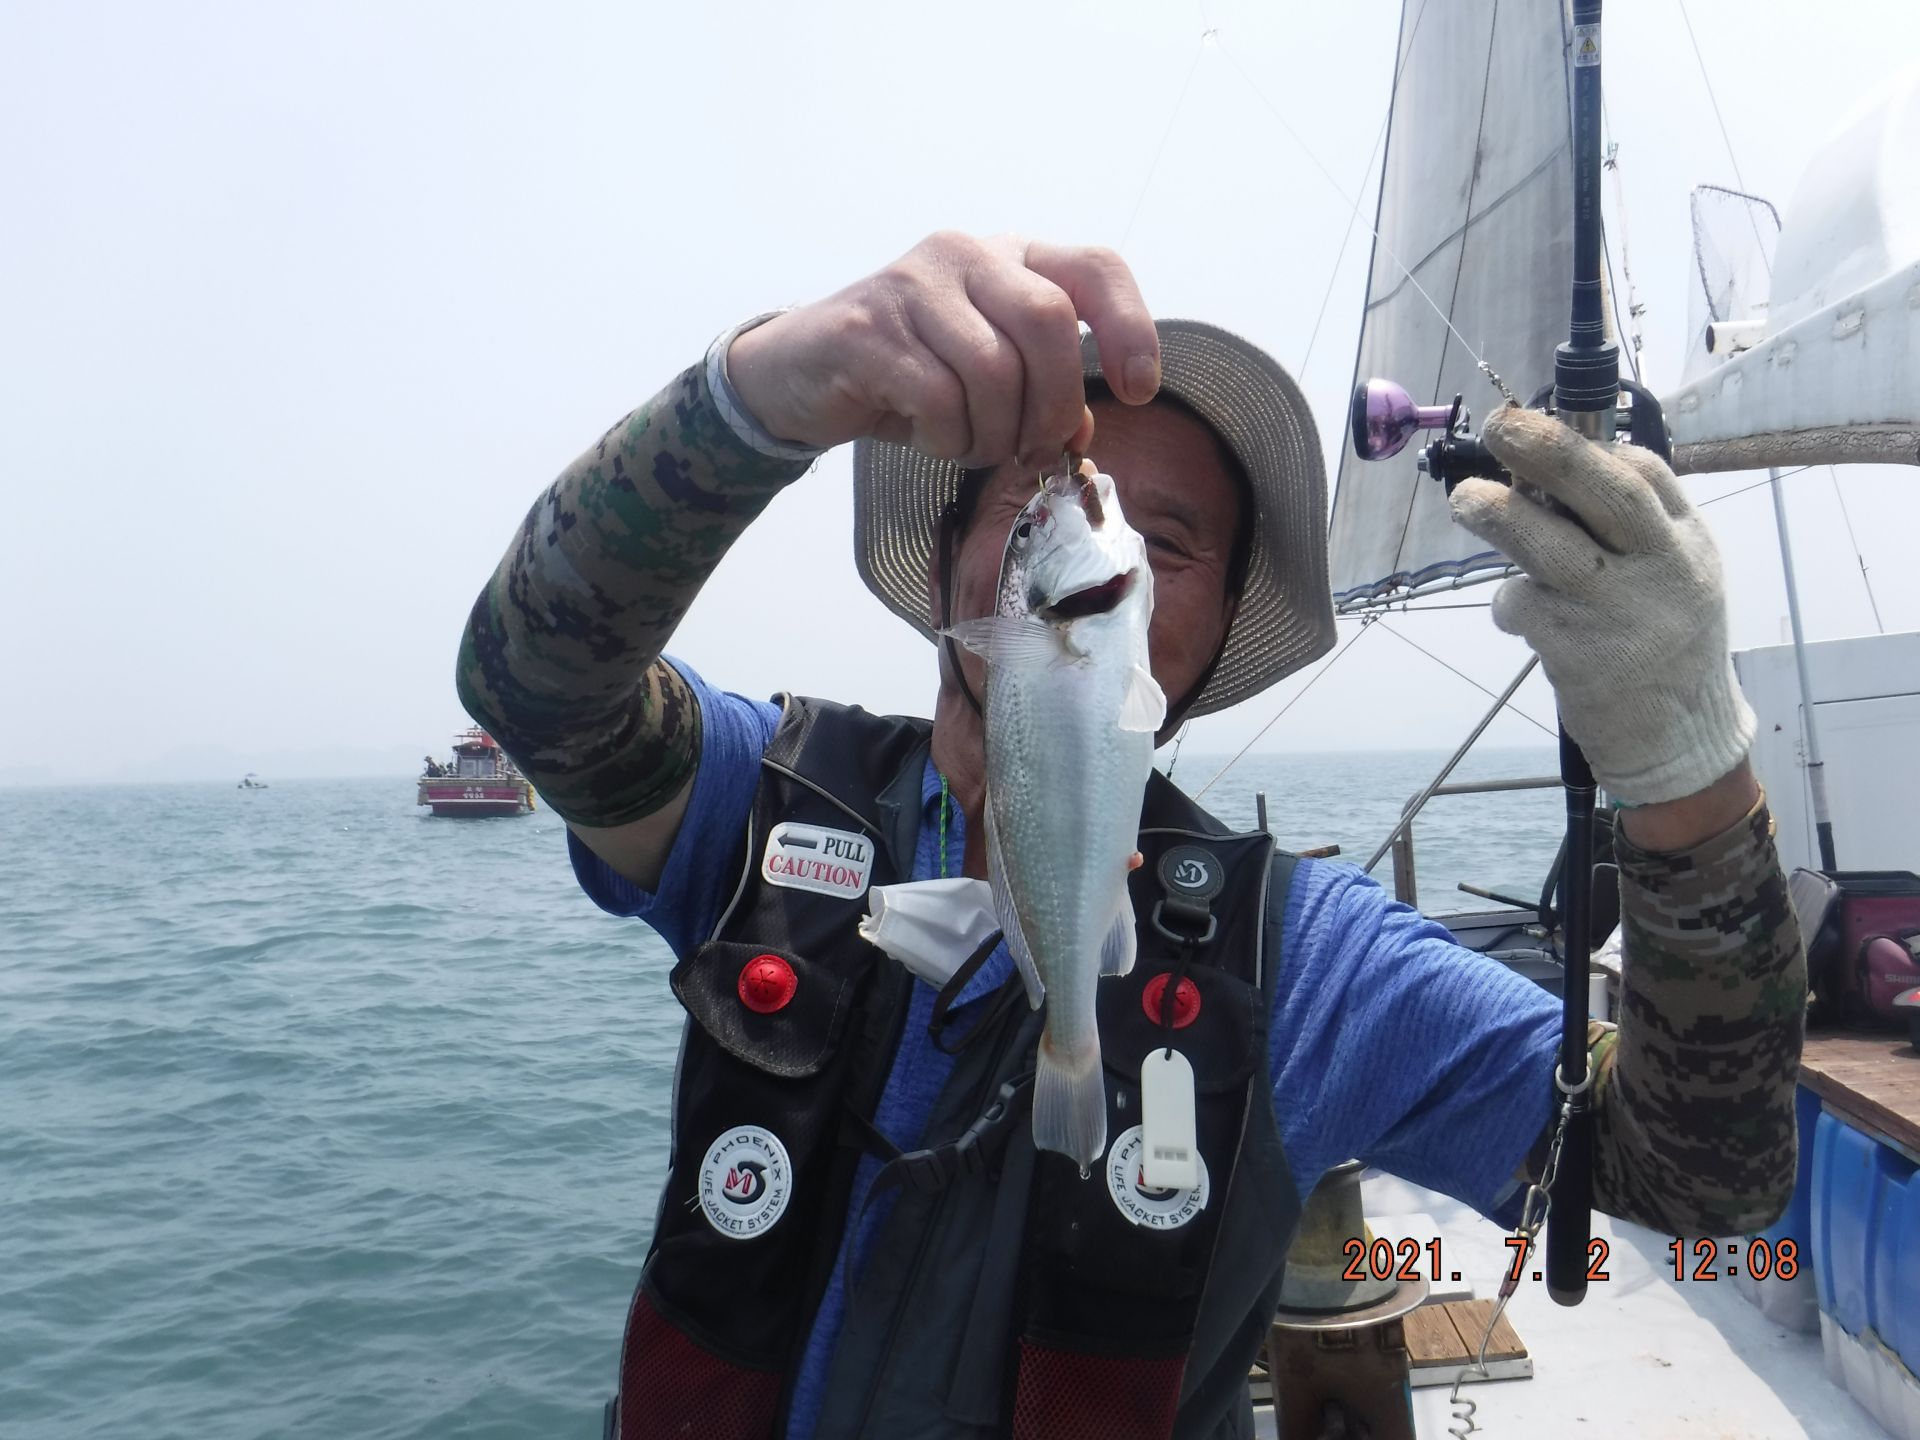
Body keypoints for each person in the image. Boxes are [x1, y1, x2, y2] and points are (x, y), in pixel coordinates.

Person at [456, 233, 1803, 1440]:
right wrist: (757, 393)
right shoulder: (767, 798)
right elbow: (534, 689)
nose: (1120, 556)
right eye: (1038, 495)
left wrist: (1688, 775)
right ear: (956, 558)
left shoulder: (1306, 965)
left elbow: (1703, 1175)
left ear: (1200, 634)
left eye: (1174, 541)